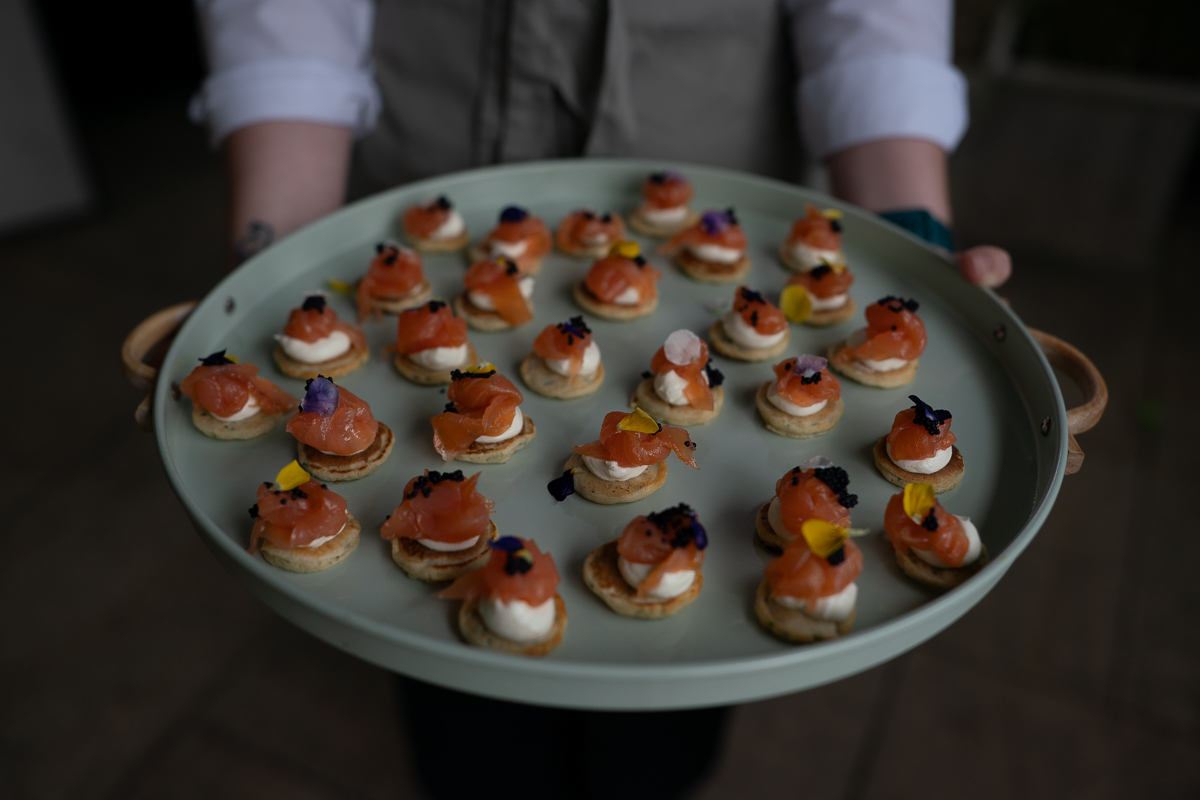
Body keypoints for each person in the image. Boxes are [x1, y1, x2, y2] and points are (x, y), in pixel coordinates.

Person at [189, 2, 1010, 797]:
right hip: (441, 134)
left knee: (657, 735)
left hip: (712, 116)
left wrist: (910, 229)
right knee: (473, 736)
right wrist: (275, 248)